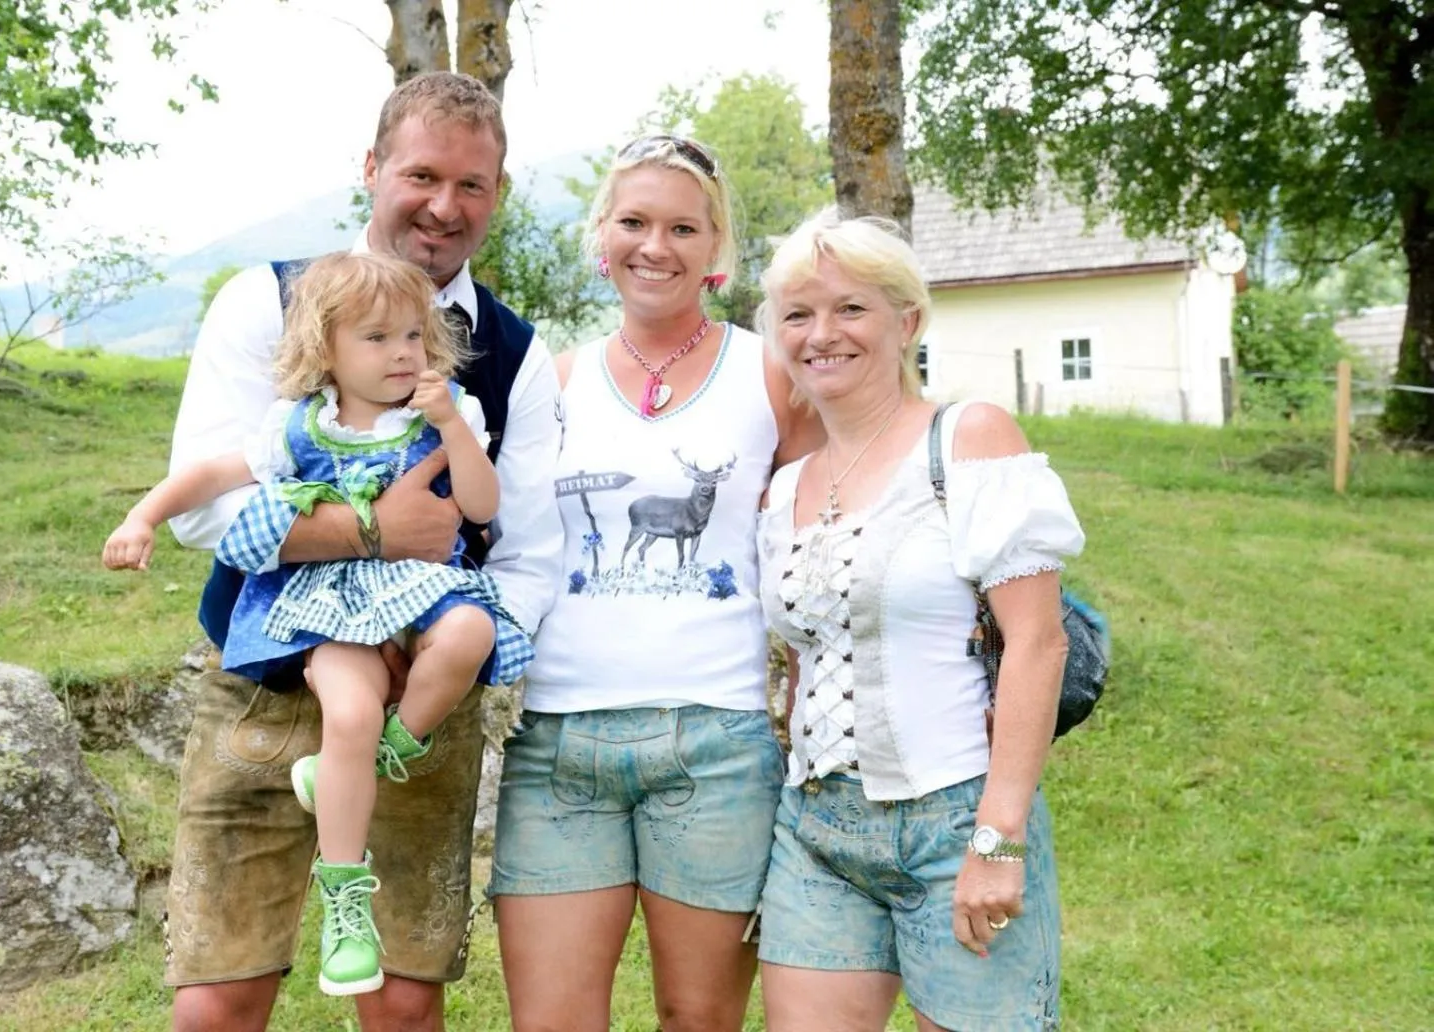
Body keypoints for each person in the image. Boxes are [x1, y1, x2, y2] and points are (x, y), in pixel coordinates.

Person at [160, 72, 562, 1032]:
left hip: (421, 698)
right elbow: (204, 510)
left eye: (472, 185)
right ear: (373, 168)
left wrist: (431, 646)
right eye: (421, 174)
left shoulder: (514, 352)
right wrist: (375, 534)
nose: (443, 205)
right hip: (267, 677)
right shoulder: (266, 302)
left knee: (403, 1000)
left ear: (496, 195)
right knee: (218, 997)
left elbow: (530, 553)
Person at [103, 251, 534, 998]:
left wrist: (451, 428)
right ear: (324, 350)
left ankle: (371, 761)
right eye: (376, 339)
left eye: (411, 335)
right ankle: (344, 898)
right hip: (329, 603)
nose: (401, 352)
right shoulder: (297, 426)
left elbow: (482, 503)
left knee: (472, 635)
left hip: (421, 592)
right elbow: (210, 477)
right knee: (351, 709)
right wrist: (143, 516)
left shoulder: (446, 413)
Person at [487, 135, 822, 1032]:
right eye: (633, 222)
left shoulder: (770, 372)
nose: (654, 246)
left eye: (683, 227)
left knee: (699, 1018)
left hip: (714, 740)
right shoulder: (551, 383)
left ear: (716, 247)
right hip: (559, 743)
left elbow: (829, 535)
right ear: (602, 235)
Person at [750, 207, 1086, 1032]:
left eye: (850, 308)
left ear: (907, 321)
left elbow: (1038, 643)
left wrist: (996, 840)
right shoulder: (786, 486)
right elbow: (802, 657)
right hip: (816, 829)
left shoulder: (967, 440)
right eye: (797, 314)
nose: (821, 333)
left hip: (953, 818)